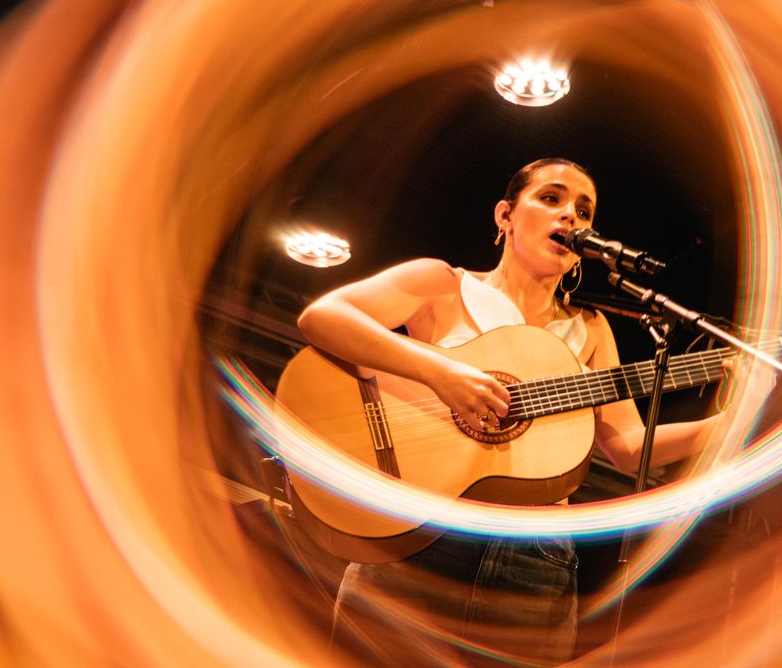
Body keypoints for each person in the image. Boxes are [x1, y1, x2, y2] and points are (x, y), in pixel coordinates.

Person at [297, 158, 724, 665]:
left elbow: (629, 449)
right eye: (551, 198)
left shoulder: (590, 330)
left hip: (535, 560)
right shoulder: (441, 284)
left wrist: (732, 421)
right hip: (421, 537)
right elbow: (322, 317)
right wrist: (440, 373)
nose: (570, 216)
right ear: (505, 215)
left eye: (583, 209)